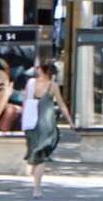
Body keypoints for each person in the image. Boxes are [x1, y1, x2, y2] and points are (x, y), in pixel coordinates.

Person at [23, 56, 76, 192]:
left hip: (32, 124)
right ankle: (37, 188)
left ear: (40, 69)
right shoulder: (53, 86)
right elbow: (62, 105)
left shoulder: (31, 83)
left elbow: (25, 103)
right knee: (40, 156)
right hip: (47, 124)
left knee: (35, 155)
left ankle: (36, 184)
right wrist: (70, 121)